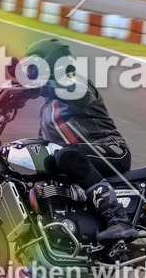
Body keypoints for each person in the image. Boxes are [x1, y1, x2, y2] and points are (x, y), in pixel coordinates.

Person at [13, 38, 137, 244]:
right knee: (42, 159)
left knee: (66, 155)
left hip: (111, 150)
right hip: (82, 158)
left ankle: (119, 218)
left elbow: (75, 94)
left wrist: (38, 87)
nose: (30, 73)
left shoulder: (76, 82)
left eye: (33, 66)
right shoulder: (47, 109)